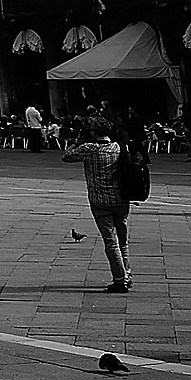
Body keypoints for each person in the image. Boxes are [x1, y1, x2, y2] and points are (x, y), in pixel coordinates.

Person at [62, 123, 133, 292]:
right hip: (122, 200)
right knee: (122, 239)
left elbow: (66, 156)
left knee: (110, 241)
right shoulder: (119, 147)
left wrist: (76, 141)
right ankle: (127, 274)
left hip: (100, 201)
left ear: (93, 133)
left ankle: (119, 279)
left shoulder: (89, 148)